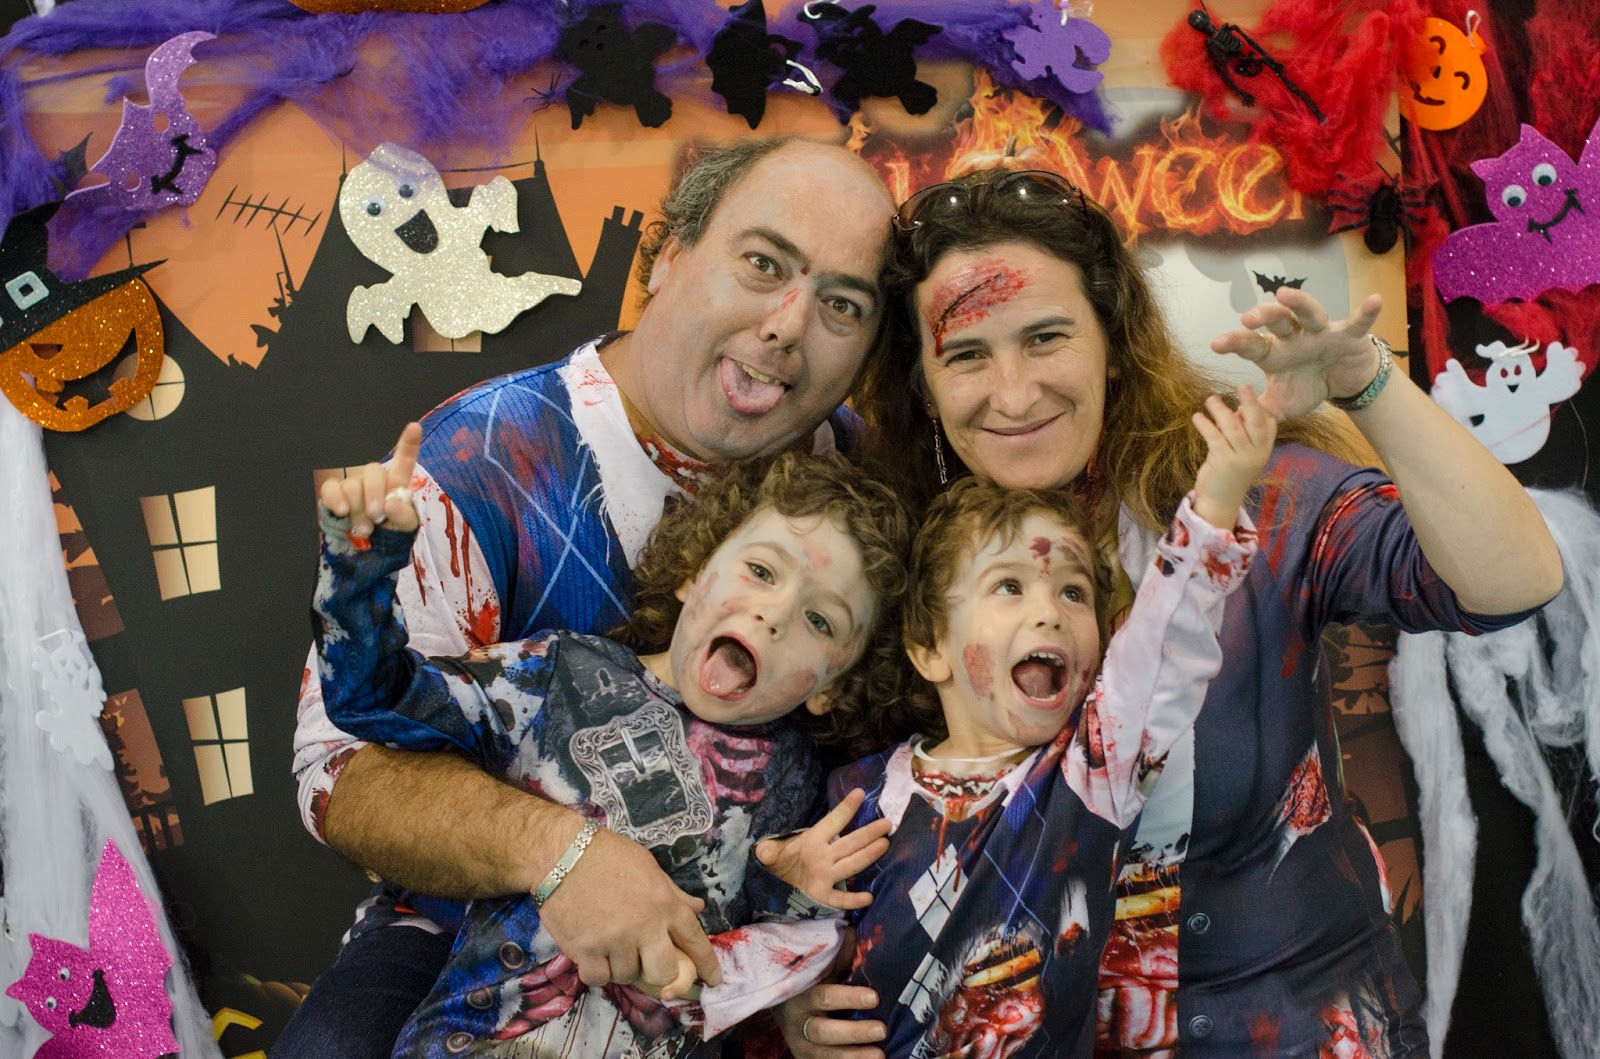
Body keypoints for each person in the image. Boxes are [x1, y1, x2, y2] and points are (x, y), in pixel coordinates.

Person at [776, 168, 1564, 1057]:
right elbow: (818, 848)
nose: (1014, 391)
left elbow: (1515, 579)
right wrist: (801, 995)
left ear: (1113, 341)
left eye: (1046, 338)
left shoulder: (1248, 498)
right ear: (922, 382)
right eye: (966, 355)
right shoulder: (891, 566)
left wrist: (1363, 378)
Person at [277, 137, 898, 1059]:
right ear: (672, 252)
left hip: (706, 965)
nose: (789, 325)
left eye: (842, 303)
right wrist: (560, 853)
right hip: (466, 936)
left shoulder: (865, 492)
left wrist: (780, 981)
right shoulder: (479, 459)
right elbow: (343, 771)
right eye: (764, 264)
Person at [311, 435, 909, 1058]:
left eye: (821, 621)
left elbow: (750, 960)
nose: (776, 614)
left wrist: (796, 894)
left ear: (833, 689)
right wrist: (359, 572)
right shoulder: (555, 676)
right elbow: (373, 701)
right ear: (694, 571)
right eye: (761, 571)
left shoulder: (799, 782)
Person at [736, 389, 1269, 1058]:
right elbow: (777, 942)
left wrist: (1216, 501)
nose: (1049, 612)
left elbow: (1164, 649)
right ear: (930, 648)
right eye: (1010, 586)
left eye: (1073, 592)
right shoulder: (858, 794)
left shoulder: (1090, 778)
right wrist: (791, 960)